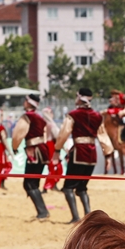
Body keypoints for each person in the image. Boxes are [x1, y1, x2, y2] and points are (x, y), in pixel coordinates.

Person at [54, 86, 112, 223]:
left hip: (79, 152)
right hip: (92, 154)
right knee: (82, 188)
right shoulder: (97, 116)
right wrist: (108, 155)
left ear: (80, 97)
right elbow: (103, 136)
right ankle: (88, 218)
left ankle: (75, 217)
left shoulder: (73, 115)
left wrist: (57, 149)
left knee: (68, 187)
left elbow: (64, 133)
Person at [12, 93, 55, 220]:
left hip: (34, 152)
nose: (23, 102)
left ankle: (42, 212)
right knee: (34, 182)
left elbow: (18, 133)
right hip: (42, 150)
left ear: (29, 103)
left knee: (29, 183)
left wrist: (15, 146)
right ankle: (42, 211)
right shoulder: (40, 118)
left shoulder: (27, 117)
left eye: (25, 100)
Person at [41, 107, 64, 193]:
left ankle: (52, 185)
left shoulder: (43, 124)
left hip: (48, 146)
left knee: (54, 167)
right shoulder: (50, 124)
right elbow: (58, 136)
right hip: (51, 146)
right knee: (55, 167)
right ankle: (47, 186)